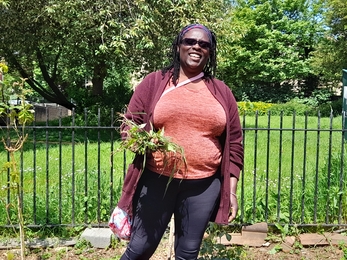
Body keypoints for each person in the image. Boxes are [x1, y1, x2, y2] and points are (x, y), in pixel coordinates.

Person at [117, 23, 244, 260]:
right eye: (190, 42)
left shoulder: (221, 92)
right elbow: (129, 124)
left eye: (204, 44)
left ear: (210, 52)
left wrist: (232, 192)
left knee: (187, 253)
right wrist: (140, 139)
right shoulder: (155, 82)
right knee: (139, 249)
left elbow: (235, 143)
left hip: (203, 186)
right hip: (157, 180)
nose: (197, 47)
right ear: (178, 47)